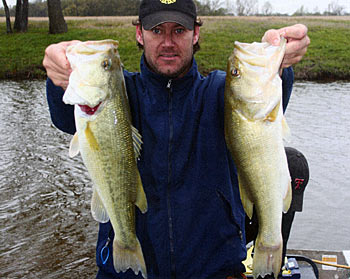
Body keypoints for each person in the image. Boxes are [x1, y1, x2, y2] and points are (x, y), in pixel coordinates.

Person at [43, 0, 310, 278]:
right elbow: (65, 116)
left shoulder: (223, 94)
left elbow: (260, 97)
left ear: (195, 34)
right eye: (157, 30)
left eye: (179, 30)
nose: (168, 42)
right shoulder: (116, 94)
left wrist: (279, 60)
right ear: (139, 34)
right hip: (126, 273)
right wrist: (60, 75)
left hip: (214, 271)